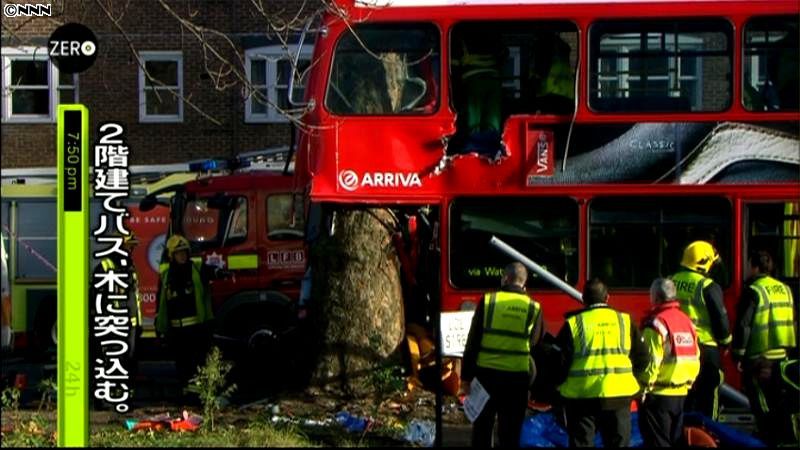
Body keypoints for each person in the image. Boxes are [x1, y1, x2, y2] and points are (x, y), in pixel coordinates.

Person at [459, 262, 544, 448]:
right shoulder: (534, 308)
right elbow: (535, 343)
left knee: (482, 430)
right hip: (517, 380)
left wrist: (465, 378)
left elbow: (473, 342)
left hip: (486, 378)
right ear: (524, 284)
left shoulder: (489, 301)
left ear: (504, 279)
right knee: (510, 433)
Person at [556, 278, 649, 447]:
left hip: (582, 398)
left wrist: (558, 389)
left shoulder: (573, 324)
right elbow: (643, 358)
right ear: (607, 298)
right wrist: (636, 383)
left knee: (582, 443)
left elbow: (560, 363)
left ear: (583, 299)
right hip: (619, 397)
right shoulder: (625, 322)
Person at [732, 250, 797, 446]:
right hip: (782, 357)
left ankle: (768, 439)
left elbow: (744, 325)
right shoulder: (785, 288)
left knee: (761, 405)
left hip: (759, 358)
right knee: (778, 401)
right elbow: (793, 320)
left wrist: (738, 355)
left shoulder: (754, 290)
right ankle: (783, 439)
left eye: (748, 265)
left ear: (755, 267)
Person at [671, 240, 731, 420]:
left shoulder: (671, 280)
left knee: (683, 391)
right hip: (706, 347)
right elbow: (720, 319)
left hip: (679, 346)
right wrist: (726, 342)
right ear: (704, 263)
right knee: (710, 390)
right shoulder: (708, 286)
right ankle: (709, 431)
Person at [638, 278, 701, 447]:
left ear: (656, 298)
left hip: (658, 394)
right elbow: (695, 355)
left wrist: (643, 388)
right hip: (681, 394)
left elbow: (651, 361)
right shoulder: (687, 322)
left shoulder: (656, 324)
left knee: (657, 442)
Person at [155, 234, 217, 389]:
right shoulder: (166, 275)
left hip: (195, 328)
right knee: (182, 365)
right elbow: (161, 301)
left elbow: (210, 271)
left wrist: (219, 273)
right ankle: (186, 393)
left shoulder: (196, 267)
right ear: (171, 256)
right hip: (176, 330)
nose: (182, 256)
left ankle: (198, 395)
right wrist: (160, 326)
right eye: (178, 253)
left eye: (184, 252)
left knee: (197, 363)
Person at [90, 232, 143, 408]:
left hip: (131, 324)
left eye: (132, 246)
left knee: (128, 362)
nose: (131, 249)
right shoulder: (105, 267)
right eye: (129, 246)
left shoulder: (130, 266)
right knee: (106, 362)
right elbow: (96, 299)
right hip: (112, 324)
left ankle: (124, 397)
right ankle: (102, 398)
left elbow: (134, 298)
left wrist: (139, 323)